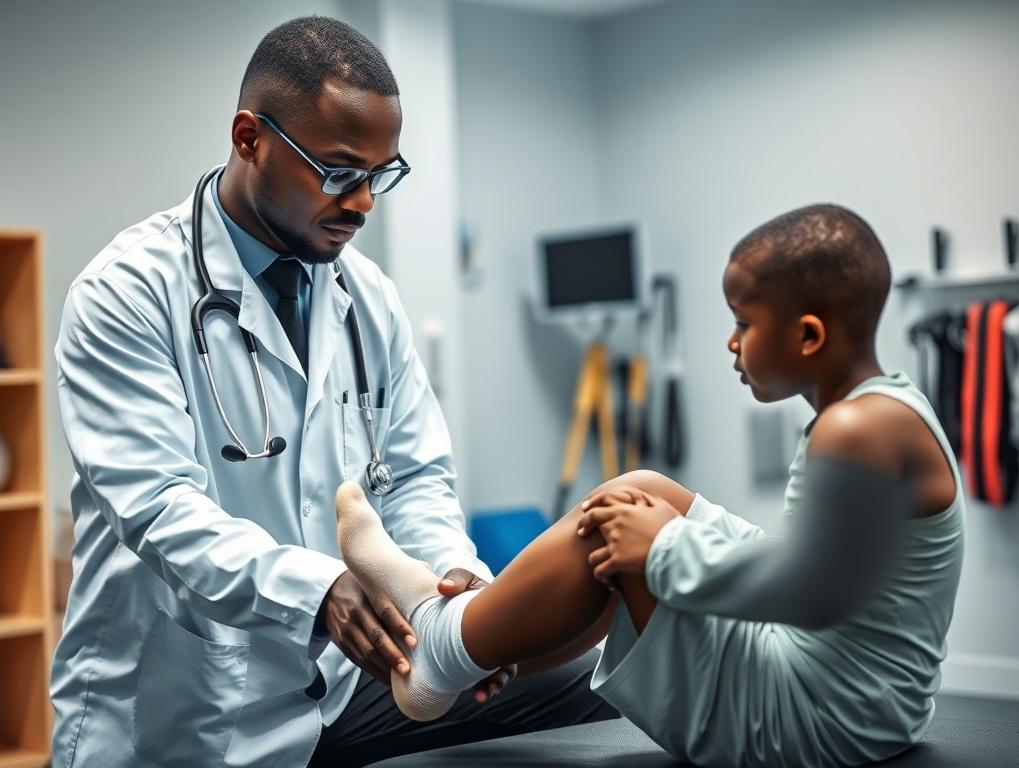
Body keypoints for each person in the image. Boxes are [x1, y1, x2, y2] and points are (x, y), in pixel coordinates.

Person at [51, 16, 615, 768]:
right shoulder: (126, 292)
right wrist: (318, 593)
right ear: (250, 137)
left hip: (341, 687)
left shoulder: (366, 297)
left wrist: (460, 597)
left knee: (594, 684)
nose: (364, 203)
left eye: (383, 175)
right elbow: (156, 507)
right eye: (341, 172)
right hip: (184, 708)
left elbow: (415, 476)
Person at [334, 204, 965, 767]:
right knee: (640, 490)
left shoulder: (854, 428)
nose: (731, 341)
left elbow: (814, 592)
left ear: (807, 336)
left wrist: (663, 546)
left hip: (822, 718)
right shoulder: (885, 408)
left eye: (744, 323)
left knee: (621, 527)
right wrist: (662, 527)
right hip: (862, 699)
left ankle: (444, 647)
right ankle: (479, 649)